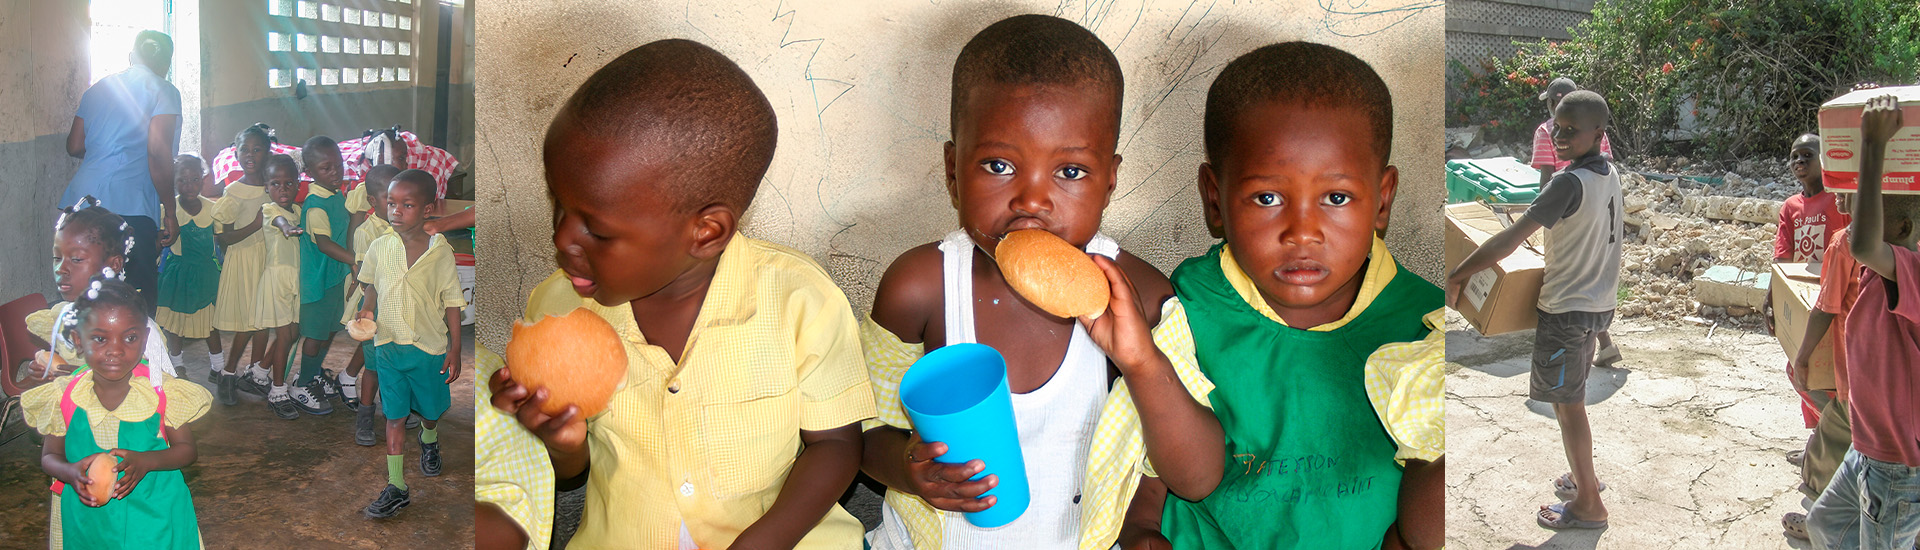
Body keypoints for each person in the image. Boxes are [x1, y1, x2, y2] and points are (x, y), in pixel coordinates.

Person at [484, 39, 874, 548]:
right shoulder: (556, 311)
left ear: (706, 232)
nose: (561, 239)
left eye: (596, 231)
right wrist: (559, 441)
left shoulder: (800, 300)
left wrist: (765, 541)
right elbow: (570, 472)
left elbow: (838, 445)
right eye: (559, 205)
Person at [857, 15, 1213, 550]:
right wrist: (911, 469)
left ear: (1109, 180)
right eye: (999, 165)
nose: (1032, 200)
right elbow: (861, 434)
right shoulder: (921, 287)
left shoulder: (1138, 296)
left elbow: (1197, 476)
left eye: (1069, 172)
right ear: (953, 171)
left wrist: (1141, 361)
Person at [1115, 42, 1443, 549]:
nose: (1303, 232)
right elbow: (1148, 453)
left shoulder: (1427, 329)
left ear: (1382, 200)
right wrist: (1138, 528)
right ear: (1214, 199)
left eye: (1336, 198)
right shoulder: (1188, 306)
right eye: (1267, 198)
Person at [1448, 90, 1622, 530]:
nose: (1560, 137)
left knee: (1569, 407)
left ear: (1598, 132)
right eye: (1556, 128)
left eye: (1571, 130)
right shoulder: (1609, 174)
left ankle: (1588, 506)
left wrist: (1456, 274)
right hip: (1598, 305)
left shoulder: (1567, 183)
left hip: (1566, 311)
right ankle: (1587, 479)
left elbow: (1508, 240)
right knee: (1572, 401)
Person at [1806, 95, 1920, 550]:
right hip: (1867, 446)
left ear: (1904, 227)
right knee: (1826, 526)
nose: (1852, 214)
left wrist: (1873, 146)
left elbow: (1864, 243)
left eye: (1870, 211)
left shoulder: (1910, 271)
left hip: (1895, 463)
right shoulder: (1879, 274)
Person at [24, 277, 209, 550]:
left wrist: (147, 461)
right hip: (90, 522)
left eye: (130, 337)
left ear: (144, 338)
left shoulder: (161, 392)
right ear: (77, 339)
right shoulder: (65, 394)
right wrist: (70, 472)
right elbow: (50, 456)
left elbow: (186, 450)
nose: (116, 350)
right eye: (100, 338)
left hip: (152, 518)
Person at [353, 169, 464, 518]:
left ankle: (429, 439)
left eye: (407, 204)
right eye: (391, 203)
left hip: (429, 348)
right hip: (387, 345)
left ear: (429, 209)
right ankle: (396, 485)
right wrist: (368, 306)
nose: (396, 211)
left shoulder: (440, 252)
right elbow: (370, 282)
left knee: (430, 412)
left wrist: (456, 348)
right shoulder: (380, 246)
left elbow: (451, 301)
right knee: (395, 415)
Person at [61, 30, 182, 312]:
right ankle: (134, 356)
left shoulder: (99, 88)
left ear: (131, 58)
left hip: (81, 205)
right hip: (130, 208)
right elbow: (157, 152)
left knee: (87, 297)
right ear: (166, 64)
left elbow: (74, 145)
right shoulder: (164, 91)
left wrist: (109, 151)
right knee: (134, 300)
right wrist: (171, 211)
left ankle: (84, 356)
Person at [29, 199, 178, 380]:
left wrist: (79, 377)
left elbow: (152, 385)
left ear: (114, 264)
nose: (60, 269)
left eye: (76, 260)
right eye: (56, 257)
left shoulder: (133, 326)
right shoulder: (65, 315)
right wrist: (45, 370)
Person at [1530, 77, 1622, 367]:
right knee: (1590, 276)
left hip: (1566, 208)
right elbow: (1603, 164)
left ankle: (1585, 346)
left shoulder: (1545, 131)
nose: (1560, 135)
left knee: (1571, 276)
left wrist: (1540, 210)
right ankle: (1603, 344)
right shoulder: (1594, 125)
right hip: (1594, 207)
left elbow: (1547, 177)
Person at [211, 124, 279, 406]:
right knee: (249, 322)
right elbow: (222, 237)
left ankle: (254, 374)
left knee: (262, 322)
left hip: (270, 260)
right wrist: (253, 227)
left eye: (257, 149)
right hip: (244, 260)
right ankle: (227, 373)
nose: (250, 155)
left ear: (268, 153)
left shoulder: (273, 186)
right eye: (244, 150)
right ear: (236, 154)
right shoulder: (233, 192)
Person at [293, 137, 355, 414]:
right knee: (315, 335)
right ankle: (302, 382)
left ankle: (315, 372)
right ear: (309, 172)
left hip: (335, 276)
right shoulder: (316, 202)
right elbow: (324, 244)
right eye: (326, 168)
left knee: (331, 329)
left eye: (338, 165)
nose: (335, 172)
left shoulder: (337, 194)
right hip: (318, 279)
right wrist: (357, 261)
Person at [344, 164, 399, 445]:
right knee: (374, 366)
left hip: (403, 306)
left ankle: (396, 411)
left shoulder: (405, 226)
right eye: (390, 201)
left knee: (398, 361)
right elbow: (366, 277)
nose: (397, 207)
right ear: (372, 202)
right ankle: (365, 417)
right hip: (374, 307)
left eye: (402, 200)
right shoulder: (366, 232)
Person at [154, 154, 223, 379]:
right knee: (177, 324)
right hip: (179, 274)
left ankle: (218, 367)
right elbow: (165, 239)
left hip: (205, 274)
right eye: (182, 180)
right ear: (174, 182)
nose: (189, 185)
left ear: (203, 179)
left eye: (194, 179)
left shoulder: (213, 209)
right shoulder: (169, 210)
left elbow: (222, 241)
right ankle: (177, 364)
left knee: (210, 324)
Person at [254, 155, 309, 419]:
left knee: (294, 332)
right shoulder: (269, 210)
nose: (282, 189)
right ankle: (278, 390)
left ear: (298, 184)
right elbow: (280, 222)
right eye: (275, 183)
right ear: (266, 186)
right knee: (285, 336)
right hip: (277, 279)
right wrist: (287, 227)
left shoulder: (298, 211)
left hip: (295, 279)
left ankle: (259, 372)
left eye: (289, 183)